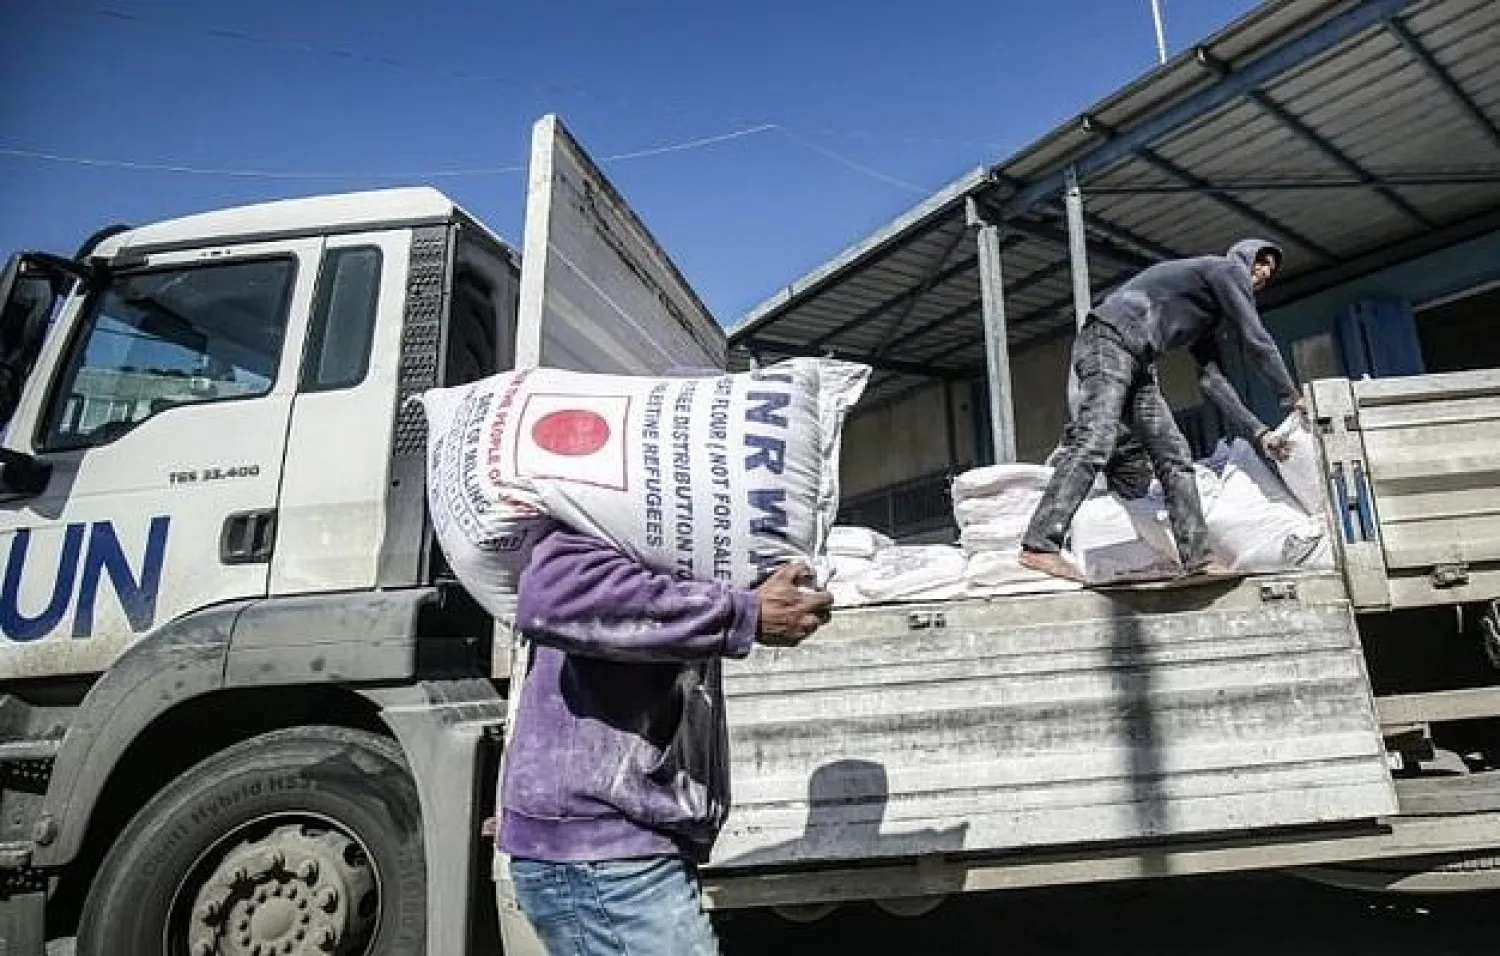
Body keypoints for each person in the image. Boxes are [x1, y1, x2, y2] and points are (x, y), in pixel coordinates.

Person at [497, 525, 833, 955]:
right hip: (600, 850)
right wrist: (739, 615)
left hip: (618, 844)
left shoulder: (661, 518)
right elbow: (549, 597)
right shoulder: (607, 511)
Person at [1021, 238, 1302, 583]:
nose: (1261, 275)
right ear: (1244, 259)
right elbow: (1256, 340)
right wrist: (1290, 395)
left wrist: (1259, 431)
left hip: (1138, 362)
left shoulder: (1207, 314)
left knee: (1175, 457)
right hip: (1108, 340)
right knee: (1097, 437)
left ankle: (1197, 559)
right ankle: (1040, 545)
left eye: (1268, 272)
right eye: (1259, 263)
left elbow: (1212, 382)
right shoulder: (1227, 269)